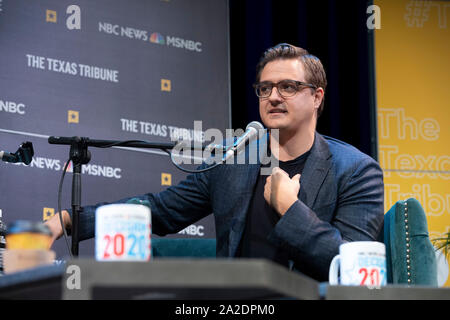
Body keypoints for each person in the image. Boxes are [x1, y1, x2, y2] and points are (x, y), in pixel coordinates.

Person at [45, 43, 384, 281]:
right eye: (265, 88)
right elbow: (161, 210)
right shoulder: (233, 159)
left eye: (289, 87)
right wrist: (69, 221)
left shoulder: (356, 170)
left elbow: (353, 268)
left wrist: (289, 208)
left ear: (317, 96)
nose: (274, 96)